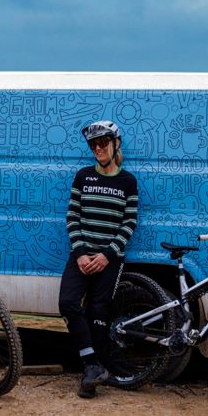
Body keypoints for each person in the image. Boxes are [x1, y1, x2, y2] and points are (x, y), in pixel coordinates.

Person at [60, 120, 139, 398]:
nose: (97, 148)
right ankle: (92, 364)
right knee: (68, 303)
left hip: (109, 259)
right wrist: (81, 253)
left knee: (98, 312)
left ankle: (92, 375)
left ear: (116, 144)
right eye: (93, 144)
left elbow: (129, 222)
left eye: (103, 142)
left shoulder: (127, 181)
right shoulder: (83, 176)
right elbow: (72, 217)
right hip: (81, 255)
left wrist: (107, 255)